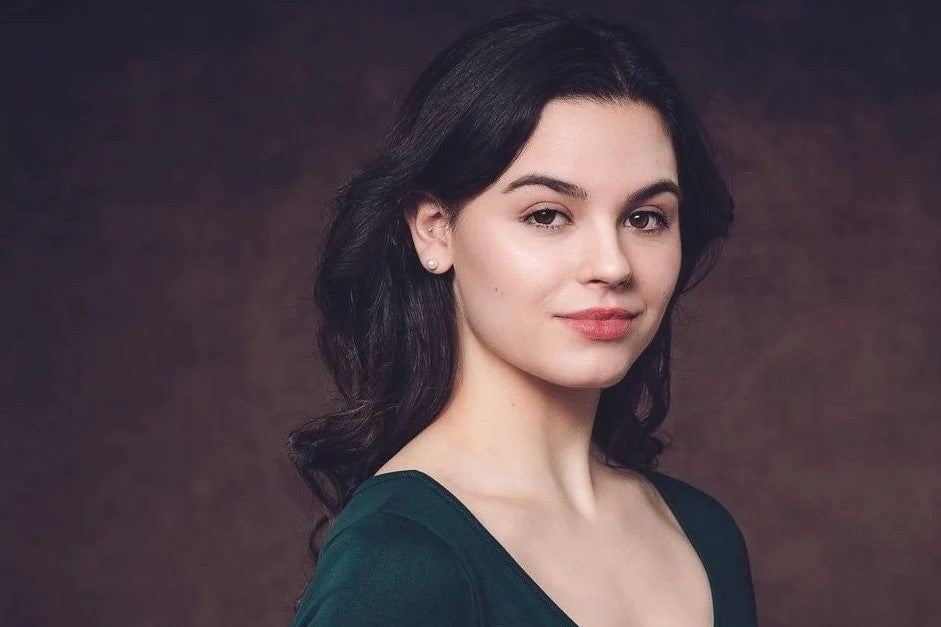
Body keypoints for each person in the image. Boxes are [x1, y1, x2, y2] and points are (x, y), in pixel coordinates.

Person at [287, 7, 758, 626]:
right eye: (547, 215)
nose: (613, 265)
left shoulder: (707, 536)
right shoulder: (397, 566)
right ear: (434, 231)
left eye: (645, 218)